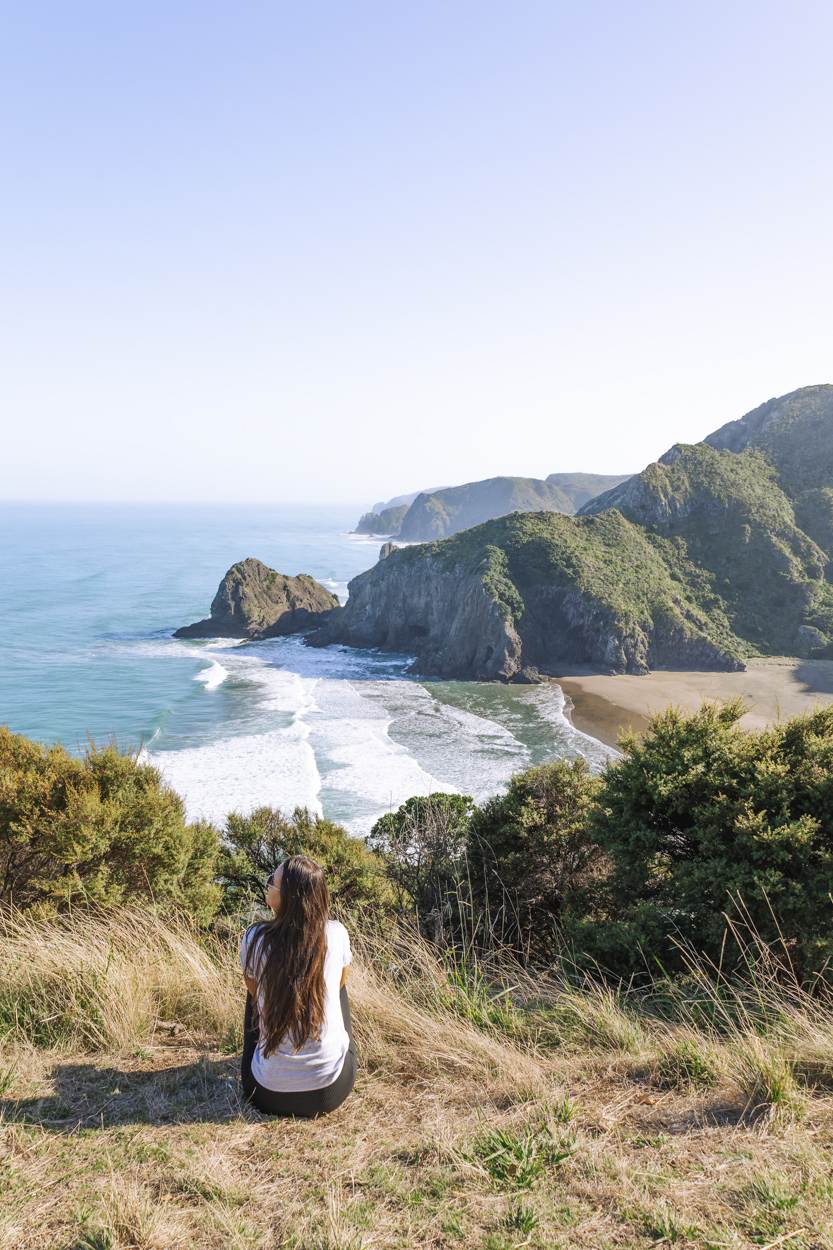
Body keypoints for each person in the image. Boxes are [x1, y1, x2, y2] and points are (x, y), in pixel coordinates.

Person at [239, 855, 356, 1117]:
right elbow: (340, 981)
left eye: (272, 882)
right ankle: (318, 1054)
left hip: (267, 1094)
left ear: (287, 897)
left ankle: (276, 1060)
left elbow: (255, 992)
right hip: (330, 1090)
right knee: (335, 989)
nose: (268, 885)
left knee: (256, 991)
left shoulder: (254, 939)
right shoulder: (336, 934)